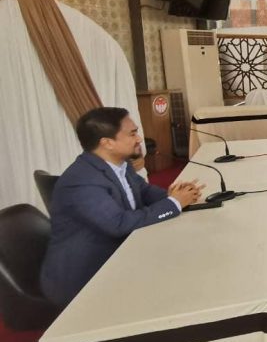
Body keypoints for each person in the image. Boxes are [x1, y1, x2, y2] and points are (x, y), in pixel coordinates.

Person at [41, 107, 203, 306]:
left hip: (118, 256)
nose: (139, 139)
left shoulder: (119, 164)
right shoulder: (82, 181)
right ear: (107, 143)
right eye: (132, 134)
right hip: (86, 277)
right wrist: (174, 203)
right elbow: (118, 224)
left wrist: (175, 195)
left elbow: (144, 191)